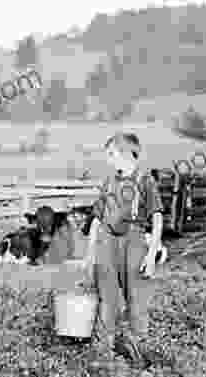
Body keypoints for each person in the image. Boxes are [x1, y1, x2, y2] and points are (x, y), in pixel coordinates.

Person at [81, 132, 164, 368]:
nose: (108, 160)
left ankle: (136, 349)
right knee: (107, 295)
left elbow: (157, 218)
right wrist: (90, 255)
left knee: (135, 296)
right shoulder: (109, 182)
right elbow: (97, 219)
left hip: (134, 240)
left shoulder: (145, 180)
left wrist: (151, 255)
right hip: (107, 240)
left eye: (111, 154)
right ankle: (104, 352)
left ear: (127, 154)